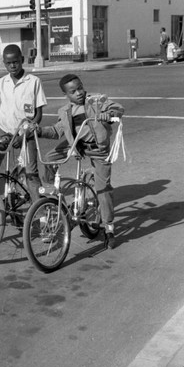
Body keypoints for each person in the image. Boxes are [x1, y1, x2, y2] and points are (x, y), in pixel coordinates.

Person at [37, 74, 124, 249]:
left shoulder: (97, 101)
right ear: (66, 95)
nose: (78, 93)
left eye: (80, 88)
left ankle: (108, 228)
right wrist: (38, 130)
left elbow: (118, 109)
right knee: (48, 159)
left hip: (98, 149)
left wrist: (109, 115)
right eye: (73, 91)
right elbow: (56, 131)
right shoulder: (65, 111)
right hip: (76, 146)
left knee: (103, 188)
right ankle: (51, 196)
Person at [0, 44, 47, 203]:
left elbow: (38, 114)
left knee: (30, 173)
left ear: (22, 60)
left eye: (15, 62)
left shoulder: (33, 81)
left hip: (25, 135)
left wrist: (25, 135)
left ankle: (38, 212)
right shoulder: (0, 83)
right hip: (4, 133)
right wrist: (1, 131)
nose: (12, 66)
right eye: (8, 63)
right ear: (4, 63)